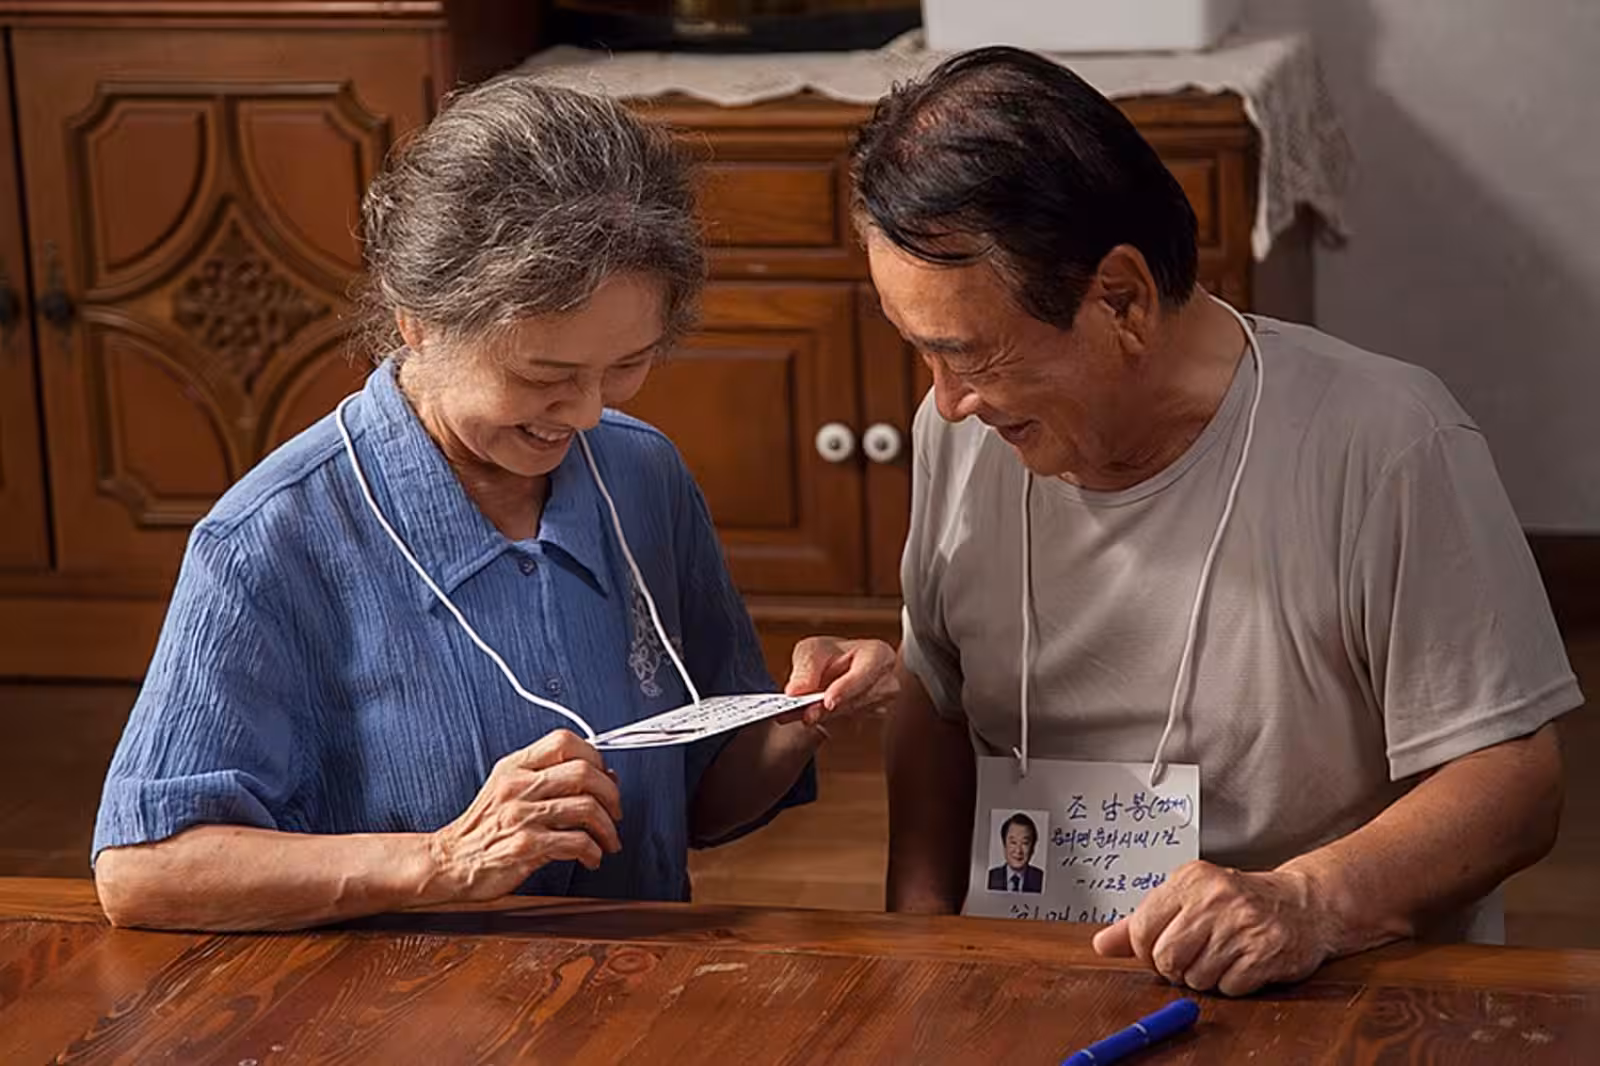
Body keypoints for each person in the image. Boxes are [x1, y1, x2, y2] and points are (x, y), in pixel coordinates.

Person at [91, 77, 896, 932]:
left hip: (639, 983)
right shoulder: (270, 538)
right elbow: (144, 872)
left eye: (627, 365)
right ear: (419, 321)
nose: (588, 414)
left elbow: (698, 804)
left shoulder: (642, 475)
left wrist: (801, 717)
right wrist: (441, 860)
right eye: (546, 375)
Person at [854, 48, 1580, 995]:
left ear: (1121, 300)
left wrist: (1309, 902)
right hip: (1038, 973)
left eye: (968, 354)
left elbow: (1516, 782)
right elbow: (936, 696)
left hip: (1315, 986)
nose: (946, 400)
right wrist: (918, 947)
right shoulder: (960, 432)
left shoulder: (1387, 441)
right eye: (921, 352)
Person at [987, 813, 1044, 893]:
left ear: (1033, 848)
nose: (1018, 850)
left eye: (1025, 843)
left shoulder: (1042, 880)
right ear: (1004, 845)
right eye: (1013, 842)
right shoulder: (989, 878)